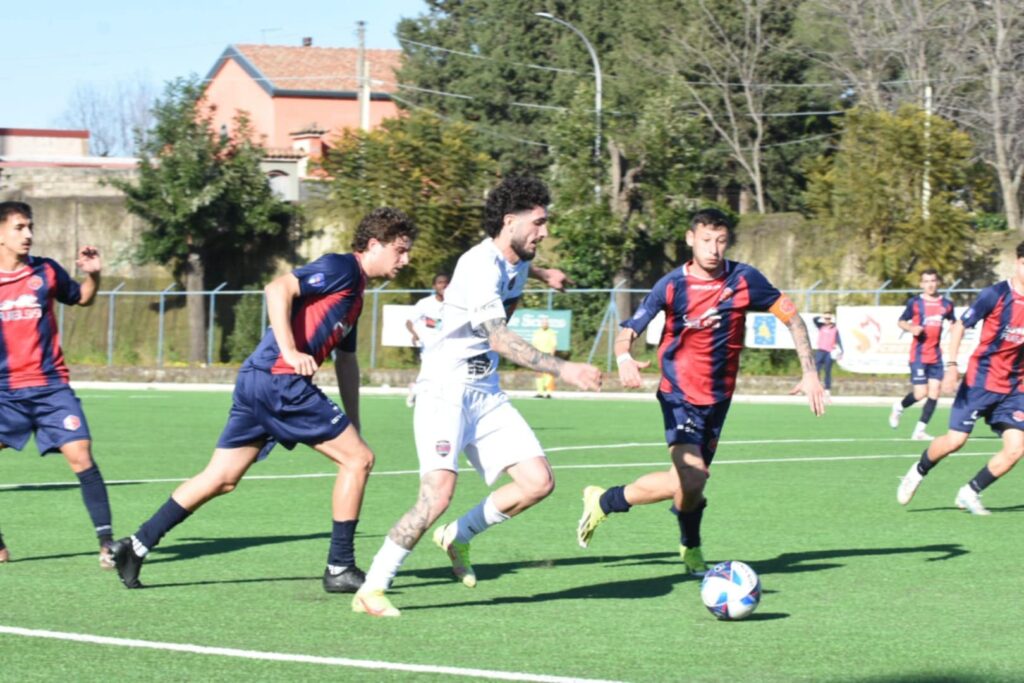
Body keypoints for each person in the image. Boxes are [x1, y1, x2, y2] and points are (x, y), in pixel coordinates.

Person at [108, 207, 417, 589]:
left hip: (258, 381)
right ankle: (339, 567)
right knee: (359, 460)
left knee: (222, 478)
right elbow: (277, 288)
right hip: (280, 381)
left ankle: (136, 546)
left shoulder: (356, 294)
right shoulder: (341, 267)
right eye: (400, 250)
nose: (406, 259)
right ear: (374, 245)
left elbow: (347, 360)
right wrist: (289, 351)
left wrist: (353, 419)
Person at [353, 176, 603, 617]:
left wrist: (546, 272)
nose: (544, 232)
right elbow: (501, 339)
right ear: (510, 221)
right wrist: (565, 369)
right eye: (539, 222)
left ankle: (458, 536)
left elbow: (519, 277)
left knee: (538, 482)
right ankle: (372, 588)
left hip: (485, 391)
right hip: (445, 390)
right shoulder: (477, 265)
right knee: (437, 493)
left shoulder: (518, 260)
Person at [576, 208, 826, 575]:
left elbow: (791, 315)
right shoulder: (672, 285)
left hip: (718, 400)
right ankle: (674, 538)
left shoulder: (745, 279)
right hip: (678, 394)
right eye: (706, 240)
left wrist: (810, 373)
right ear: (690, 239)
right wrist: (624, 356)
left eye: (721, 241)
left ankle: (611, 504)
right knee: (692, 478)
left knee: (689, 487)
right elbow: (630, 327)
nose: (714, 249)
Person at [0, 201, 115, 568]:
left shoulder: (46, 271)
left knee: (81, 456)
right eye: (19, 227)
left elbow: (81, 297)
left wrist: (94, 275)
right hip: (4, 393)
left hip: (51, 389)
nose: (28, 234)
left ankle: (107, 544)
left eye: (30, 226)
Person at [897, 243, 1024, 515]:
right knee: (955, 441)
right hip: (980, 382)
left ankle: (970, 492)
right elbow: (959, 326)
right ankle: (918, 471)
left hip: (1015, 388)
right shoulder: (996, 295)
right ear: (1017, 262)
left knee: (1016, 449)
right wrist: (952, 365)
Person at [888, 270, 955, 440]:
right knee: (920, 393)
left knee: (934, 393)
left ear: (938, 282)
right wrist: (911, 328)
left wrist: (957, 327)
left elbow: (953, 322)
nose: (930, 284)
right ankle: (899, 407)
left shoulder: (946, 304)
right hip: (918, 356)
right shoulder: (915, 303)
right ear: (921, 284)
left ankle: (919, 431)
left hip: (936, 356)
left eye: (933, 280)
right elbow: (901, 321)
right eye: (926, 281)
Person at [404, 273, 449, 406]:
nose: (444, 285)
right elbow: (409, 321)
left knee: (443, 373)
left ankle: (416, 388)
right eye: (440, 282)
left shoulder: (455, 304)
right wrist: (415, 334)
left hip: (448, 344)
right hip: (429, 344)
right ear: (434, 286)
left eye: (446, 282)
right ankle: (417, 390)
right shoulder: (425, 303)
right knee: (429, 369)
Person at [813, 313, 843, 398]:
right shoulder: (821, 326)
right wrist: (822, 316)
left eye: (829, 319)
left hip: (829, 352)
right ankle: (816, 387)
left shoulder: (835, 329)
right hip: (820, 351)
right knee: (816, 370)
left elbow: (839, 341)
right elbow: (814, 319)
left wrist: (841, 352)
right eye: (826, 319)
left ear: (832, 319)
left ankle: (827, 389)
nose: (827, 320)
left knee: (827, 371)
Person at [531, 314, 558, 398]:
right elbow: (534, 344)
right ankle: (540, 392)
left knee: (548, 373)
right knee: (538, 373)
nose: (545, 324)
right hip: (539, 354)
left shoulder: (552, 333)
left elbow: (554, 345)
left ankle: (548, 392)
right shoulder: (536, 332)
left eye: (546, 323)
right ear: (541, 323)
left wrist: (552, 356)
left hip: (547, 354)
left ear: (548, 324)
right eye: (543, 322)